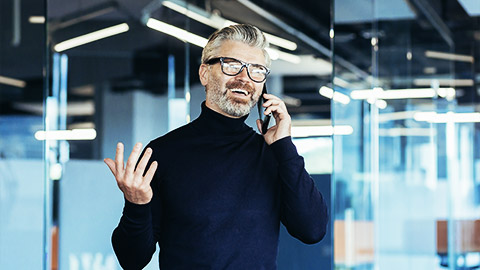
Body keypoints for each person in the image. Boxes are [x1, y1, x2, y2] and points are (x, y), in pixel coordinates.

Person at [104, 24, 328, 270]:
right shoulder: (162, 154)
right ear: (204, 74)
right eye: (232, 65)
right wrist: (136, 204)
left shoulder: (273, 155)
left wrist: (284, 147)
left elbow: (312, 230)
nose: (244, 78)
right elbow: (131, 259)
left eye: (257, 70)